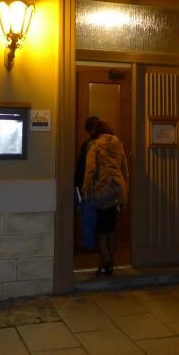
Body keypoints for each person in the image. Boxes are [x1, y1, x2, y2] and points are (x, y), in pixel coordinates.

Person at [82, 120, 129, 277]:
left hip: (102, 190)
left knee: (100, 228)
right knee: (111, 226)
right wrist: (125, 189)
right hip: (117, 189)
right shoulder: (118, 144)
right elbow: (124, 169)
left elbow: (90, 169)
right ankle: (108, 264)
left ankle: (106, 260)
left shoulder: (94, 145)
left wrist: (85, 189)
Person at [74, 116, 99, 251]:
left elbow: (83, 167)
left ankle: (89, 244)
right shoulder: (112, 143)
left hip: (89, 185)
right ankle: (103, 245)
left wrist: (78, 185)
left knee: (87, 217)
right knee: (101, 218)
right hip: (107, 187)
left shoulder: (87, 145)